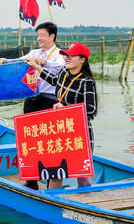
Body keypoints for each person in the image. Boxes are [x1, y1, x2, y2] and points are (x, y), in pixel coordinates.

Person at [0, 21, 65, 190]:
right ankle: (32, 181)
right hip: (32, 99)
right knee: (29, 140)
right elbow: (19, 61)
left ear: (52, 36)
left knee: (49, 142)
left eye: (42, 35)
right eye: (38, 35)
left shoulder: (59, 55)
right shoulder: (34, 52)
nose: (39, 38)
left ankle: (51, 183)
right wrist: (5, 60)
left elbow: (59, 68)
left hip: (49, 101)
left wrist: (42, 62)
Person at [26, 42, 97, 189]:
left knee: (82, 177)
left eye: (71, 55)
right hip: (60, 132)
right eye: (65, 55)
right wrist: (37, 67)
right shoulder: (64, 73)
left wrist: (66, 108)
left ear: (82, 59)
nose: (67, 58)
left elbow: (91, 110)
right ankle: (52, 205)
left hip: (79, 133)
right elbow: (53, 80)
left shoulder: (87, 81)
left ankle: (86, 205)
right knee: (55, 174)